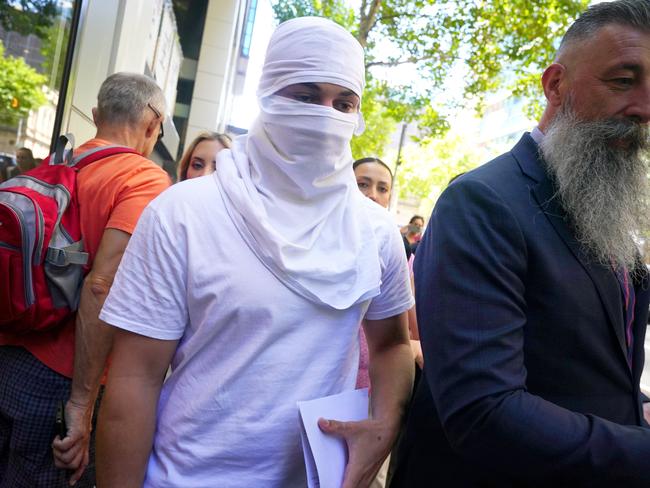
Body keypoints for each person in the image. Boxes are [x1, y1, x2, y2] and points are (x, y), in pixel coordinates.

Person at [95, 17, 414, 488]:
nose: (325, 114)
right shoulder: (183, 212)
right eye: (305, 97)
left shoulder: (377, 231)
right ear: (266, 95)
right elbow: (135, 378)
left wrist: (385, 426)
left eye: (343, 103)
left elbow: (391, 345)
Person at [392, 1, 650, 486]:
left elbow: (594, 369)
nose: (645, 108)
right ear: (555, 85)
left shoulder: (600, 204)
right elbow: (484, 412)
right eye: (623, 80)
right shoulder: (482, 202)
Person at [0, 72, 170, 488]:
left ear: (96, 115)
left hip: (9, 354)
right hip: (59, 379)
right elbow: (101, 285)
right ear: (153, 124)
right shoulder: (144, 179)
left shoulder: (56, 165)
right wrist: (81, 402)